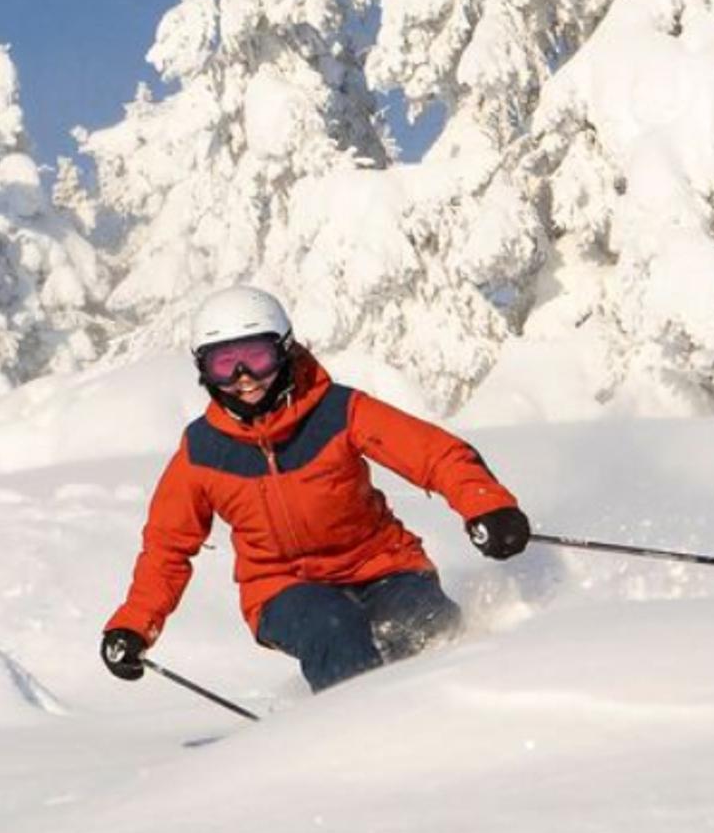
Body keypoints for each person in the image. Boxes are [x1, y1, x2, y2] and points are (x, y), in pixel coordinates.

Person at [101, 285, 531, 694]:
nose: (243, 377)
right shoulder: (202, 452)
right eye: (223, 363)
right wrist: (134, 626)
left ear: (285, 350)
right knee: (333, 627)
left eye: (257, 356)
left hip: (382, 565)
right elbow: (166, 549)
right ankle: (357, 739)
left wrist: (487, 507)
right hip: (282, 587)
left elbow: (434, 454)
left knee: (423, 624)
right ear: (203, 369)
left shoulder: (338, 412)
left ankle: (467, 720)